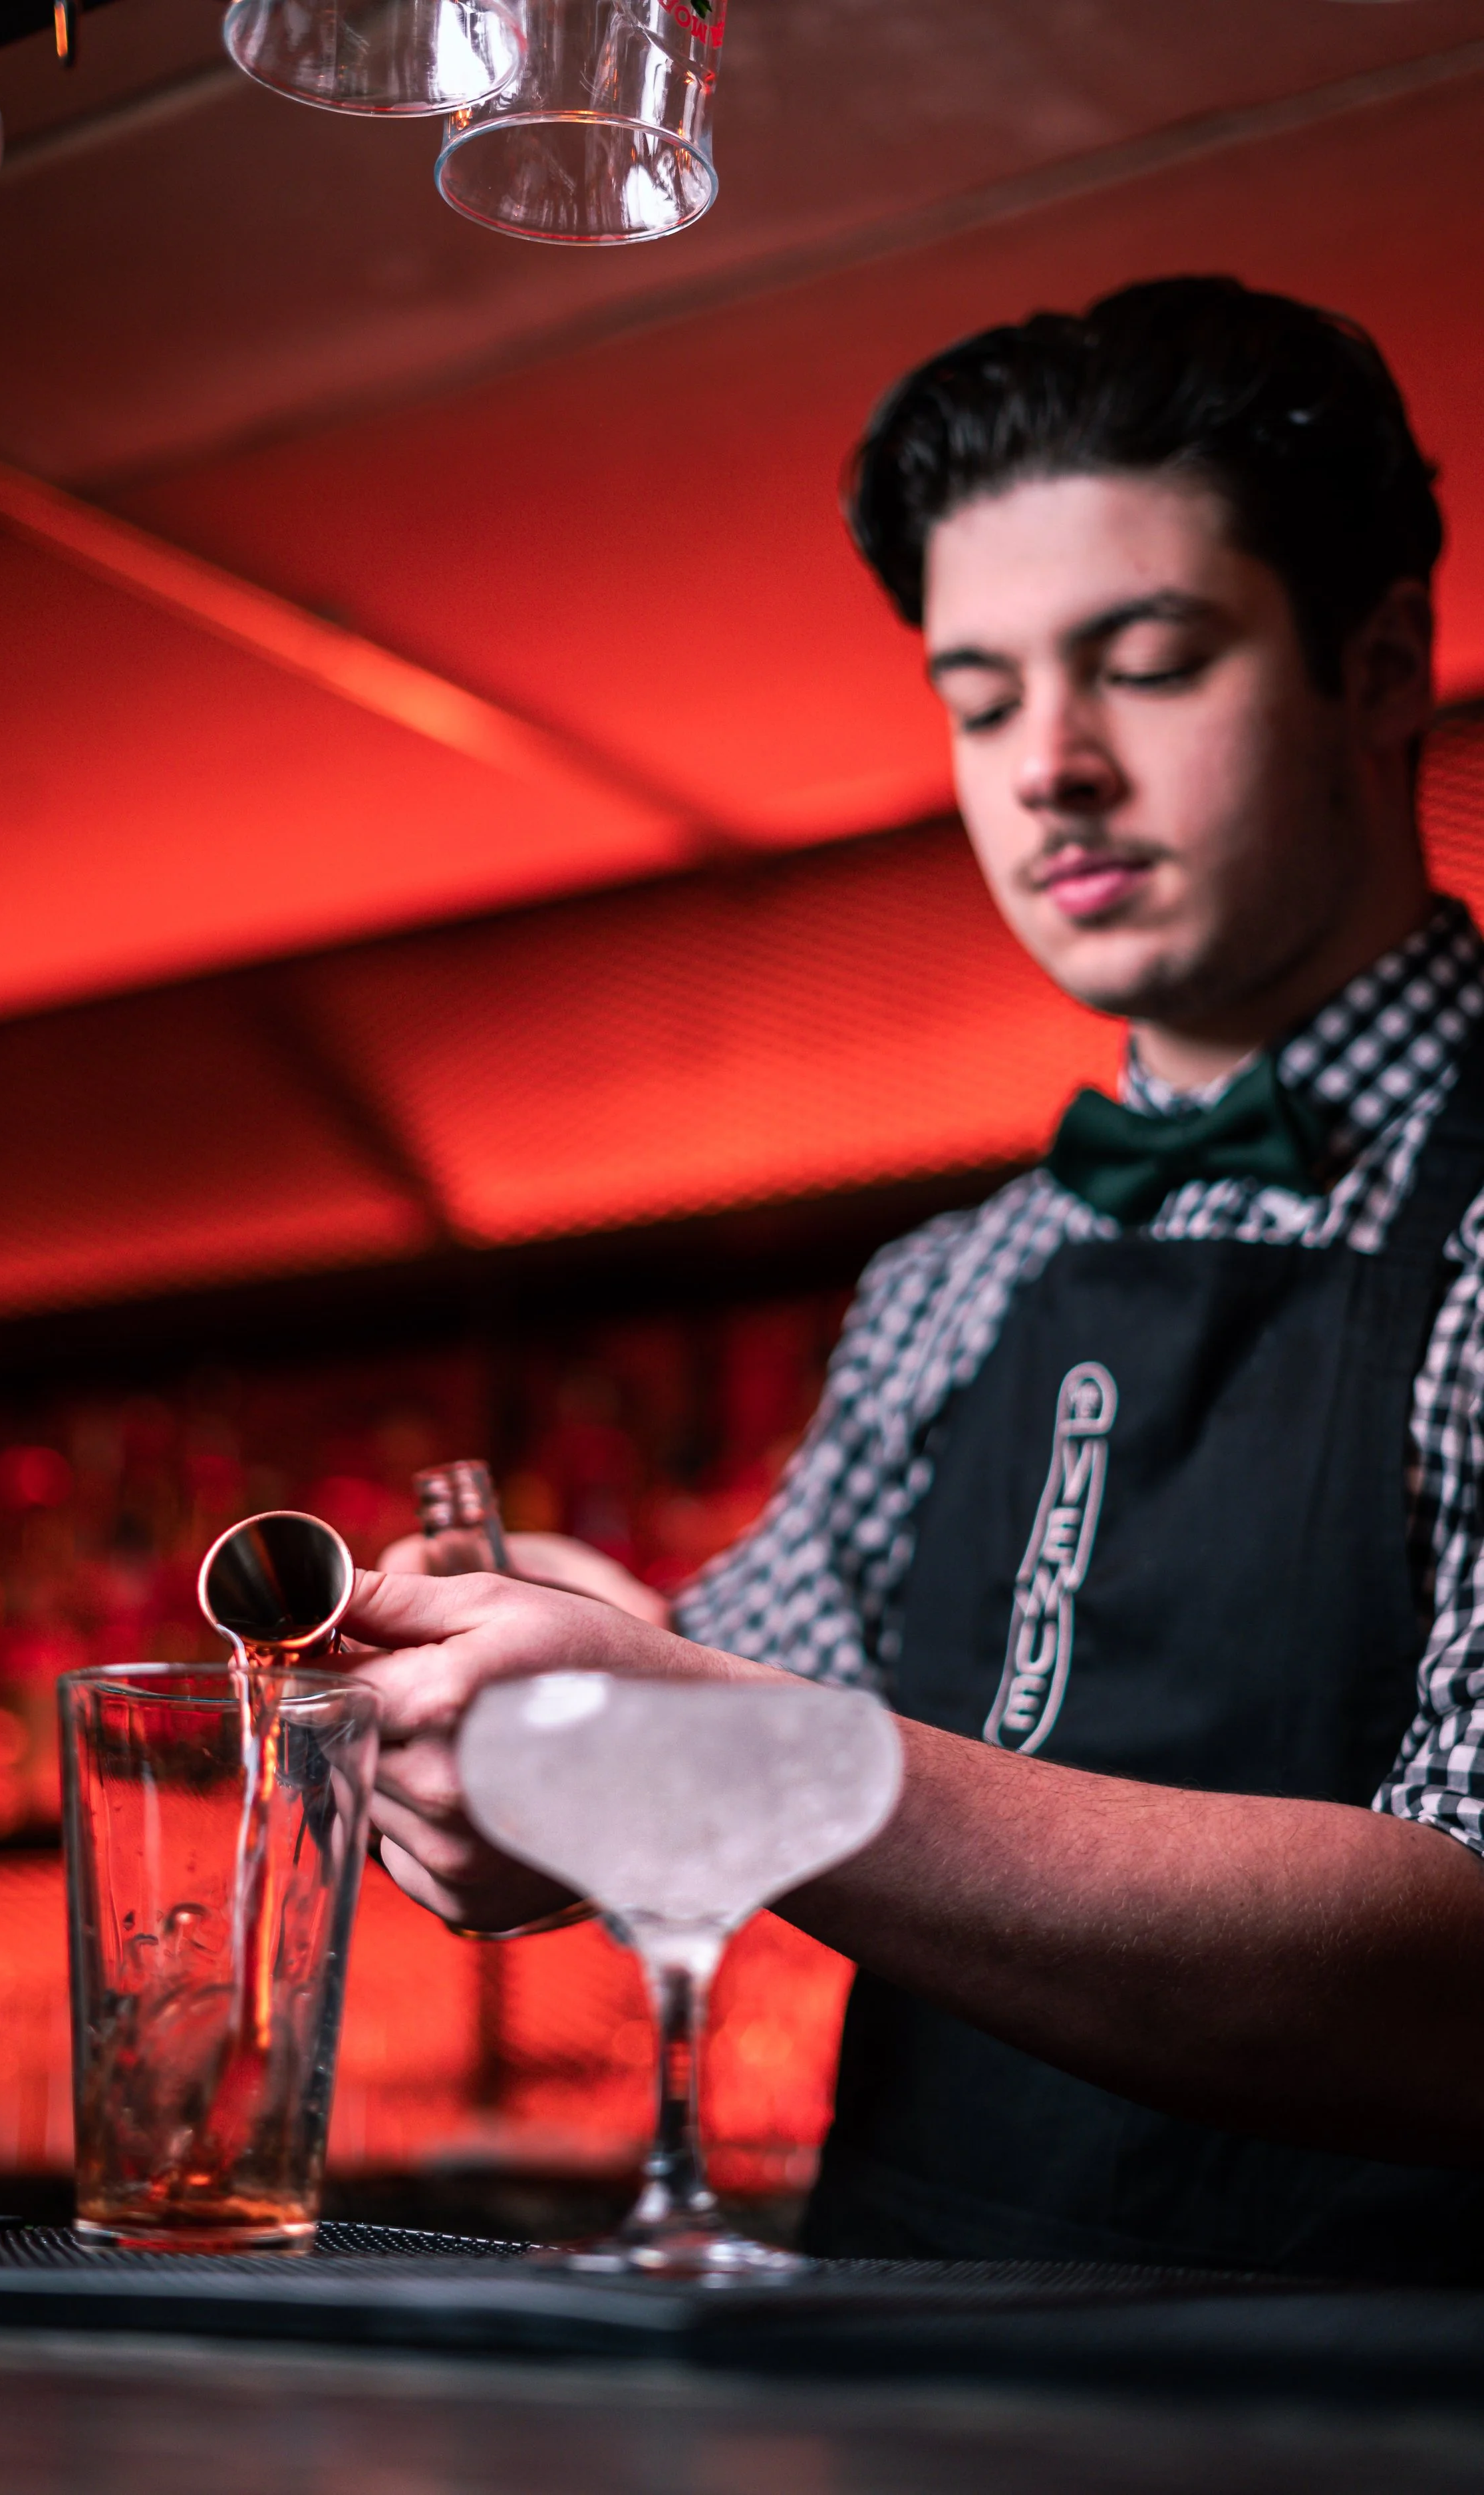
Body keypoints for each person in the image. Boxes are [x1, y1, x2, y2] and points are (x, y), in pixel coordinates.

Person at [349, 275, 1484, 2282]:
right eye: (977, 699)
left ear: (1377, 663)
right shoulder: (947, 1290)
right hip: (911, 2389)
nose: (1045, 764)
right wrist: (538, 1710)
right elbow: (737, 1684)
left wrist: (733, 1746)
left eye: (1143, 662)